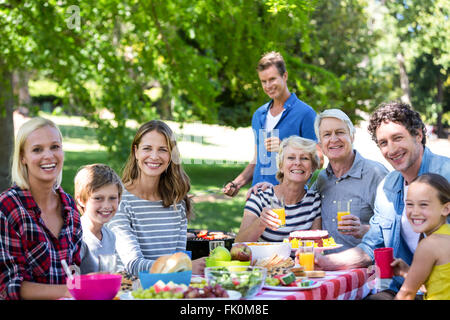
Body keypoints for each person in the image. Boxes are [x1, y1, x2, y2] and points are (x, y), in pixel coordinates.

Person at [315, 101, 450, 300]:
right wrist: (327, 262)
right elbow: (371, 246)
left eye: (397, 138)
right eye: (383, 143)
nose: (392, 149)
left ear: (419, 135)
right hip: (404, 284)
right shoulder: (388, 186)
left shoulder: (446, 174)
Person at [108, 120, 205, 276]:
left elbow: (178, 258)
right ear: (136, 151)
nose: (154, 156)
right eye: (147, 148)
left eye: (162, 150)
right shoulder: (119, 201)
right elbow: (133, 264)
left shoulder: (177, 202)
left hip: (168, 290)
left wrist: (185, 267)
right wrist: (184, 267)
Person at [0, 117, 82, 300]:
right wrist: (70, 291)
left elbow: (74, 271)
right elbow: (9, 286)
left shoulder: (69, 207)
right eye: (37, 149)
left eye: (55, 147)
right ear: (23, 157)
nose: (49, 156)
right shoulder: (8, 208)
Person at [223, 51, 317, 197]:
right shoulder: (259, 115)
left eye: (272, 79)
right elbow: (257, 160)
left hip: (290, 199)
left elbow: (319, 158)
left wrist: (285, 148)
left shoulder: (306, 113)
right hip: (257, 196)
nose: (268, 86)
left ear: (284, 76)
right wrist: (237, 183)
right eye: (263, 81)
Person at [311, 109, 389, 251]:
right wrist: (269, 189)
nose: (334, 139)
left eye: (340, 132)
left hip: (365, 269)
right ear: (321, 144)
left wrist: (364, 230)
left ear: (352, 137)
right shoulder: (321, 179)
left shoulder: (375, 174)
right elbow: (299, 203)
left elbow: (397, 227)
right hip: (327, 268)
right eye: (327, 134)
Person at [235, 136, 322, 242]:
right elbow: (239, 244)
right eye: (291, 158)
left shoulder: (314, 201)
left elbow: (316, 247)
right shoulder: (260, 197)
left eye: (304, 158)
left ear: (312, 167)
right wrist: (261, 223)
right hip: (265, 259)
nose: (298, 163)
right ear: (281, 166)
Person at [392, 173, 450, 300]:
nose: (415, 212)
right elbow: (440, 283)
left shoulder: (429, 245)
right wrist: (408, 272)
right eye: (410, 204)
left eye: (423, 204)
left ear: (446, 208)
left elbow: (406, 295)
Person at [74, 164, 123, 274]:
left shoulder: (110, 236)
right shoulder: (77, 237)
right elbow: (72, 283)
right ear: (81, 200)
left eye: (112, 198)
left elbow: (109, 275)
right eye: (98, 198)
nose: (106, 205)